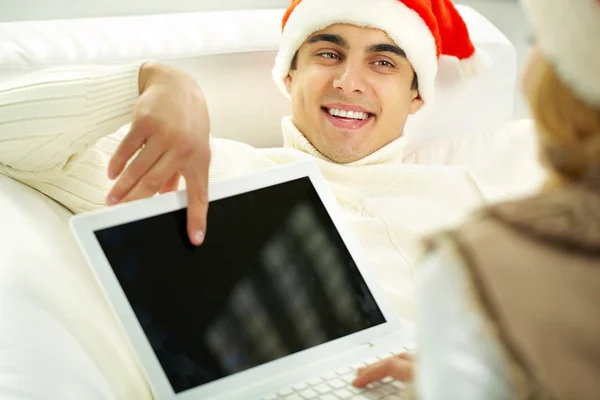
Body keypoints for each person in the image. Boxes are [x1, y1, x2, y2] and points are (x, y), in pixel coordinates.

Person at [0, 0, 499, 325]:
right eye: (328, 54)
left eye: (383, 62)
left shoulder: (464, 192)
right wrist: (146, 81)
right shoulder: (211, 169)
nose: (349, 81)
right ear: (288, 77)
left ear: (416, 97)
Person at [353, 0, 600, 398]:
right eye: (328, 55)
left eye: (538, 42)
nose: (350, 82)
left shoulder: (478, 249)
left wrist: (460, 373)